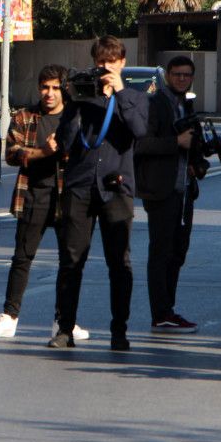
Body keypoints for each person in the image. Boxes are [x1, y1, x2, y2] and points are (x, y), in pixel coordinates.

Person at [50, 35, 149, 351]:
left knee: (119, 263)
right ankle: (64, 329)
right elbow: (65, 142)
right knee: (71, 260)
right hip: (80, 185)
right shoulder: (83, 96)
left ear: (122, 63)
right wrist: (73, 104)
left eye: (111, 62)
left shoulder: (135, 98)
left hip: (116, 187)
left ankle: (119, 331)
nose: (105, 68)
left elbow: (139, 130)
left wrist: (119, 91)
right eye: (100, 62)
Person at [0, 65, 88, 341]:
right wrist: (43, 151)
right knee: (22, 257)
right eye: (44, 87)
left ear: (64, 89)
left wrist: (65, 149)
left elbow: (88, 153)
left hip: (68, 198)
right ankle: (9, 317)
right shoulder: (24, 116)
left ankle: (64, 321)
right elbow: (12, 153)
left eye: (55, 88)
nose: (49, 93)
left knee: (69, 261)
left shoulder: (76, 117)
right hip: (33, 196)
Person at [134, 55, 208, 333]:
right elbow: (141, 144)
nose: (182, 79)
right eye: (177, 74)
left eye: (187, 75)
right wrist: (175, 142)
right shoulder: (155, 104)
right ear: (167, 75)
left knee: (178, 251)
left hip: (184, 190)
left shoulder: (186, 105)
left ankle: (168, 310)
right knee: (161, 252)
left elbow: (193, 146)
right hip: (161, 190)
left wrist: (197, 162)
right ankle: (161, 312)